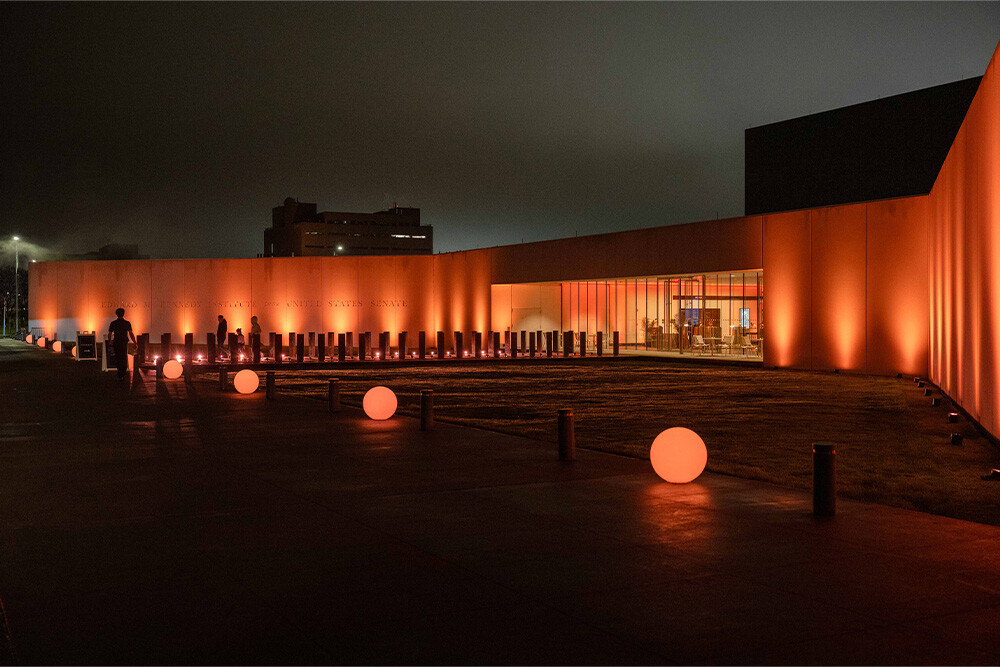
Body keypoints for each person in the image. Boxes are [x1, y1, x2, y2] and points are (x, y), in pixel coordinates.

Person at [108, 307, 136, 381]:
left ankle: (120, 373)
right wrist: (134, 342)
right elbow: (130, 333)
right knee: (123, 357)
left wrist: (110, 341)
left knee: (118, 357)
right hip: (123, 342)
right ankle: (123, 373)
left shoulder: (113, 323)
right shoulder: (127, 323)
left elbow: (110, 333)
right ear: (123, 314)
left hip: (116, 341)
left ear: (116, 314)